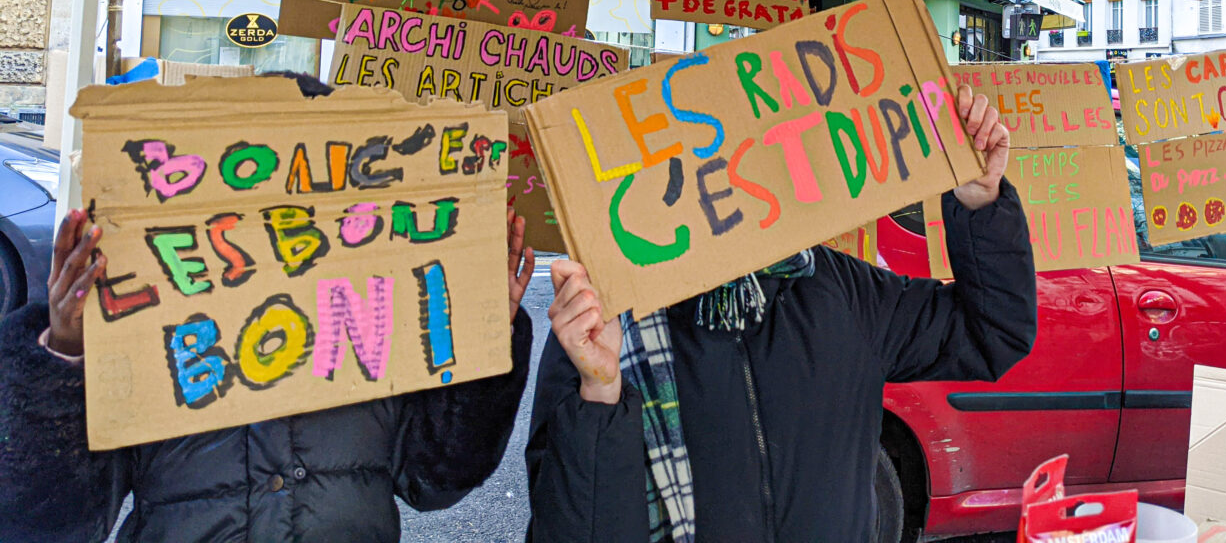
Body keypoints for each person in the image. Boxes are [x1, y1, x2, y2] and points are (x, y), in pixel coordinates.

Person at [0, 73, 537, 543]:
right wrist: (63, 359)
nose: (289, 225)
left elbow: (434, 481)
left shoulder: (382, 316)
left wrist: (482, 333)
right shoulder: (150, 327)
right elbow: (54, 522)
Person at [525, 84, 1037, 543]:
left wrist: (980, 201)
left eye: (738, 152)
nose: (718, 177)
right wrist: (600, 394)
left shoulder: (846, 291)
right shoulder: (605, 322)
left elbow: (991, 331)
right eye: (689, 160)